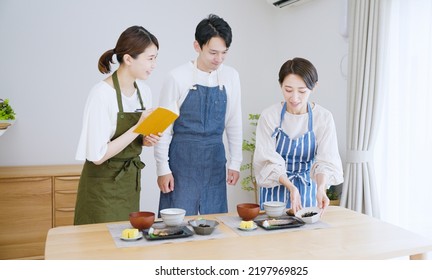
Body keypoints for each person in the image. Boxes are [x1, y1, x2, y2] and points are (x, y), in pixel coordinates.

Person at [154, 14, 242, 216]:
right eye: (213, 52)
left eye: (224, 53)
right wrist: (162, 168)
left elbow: (234, 122)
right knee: (176, 224)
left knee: (215, 223)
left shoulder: (231, 76)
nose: (218, 59)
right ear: (197, 46)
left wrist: (235, 162)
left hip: (214, 159)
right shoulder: (177, 77)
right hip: (182, 161)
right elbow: (163, 129)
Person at [74, 26, 161, 225]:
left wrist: (146, 139)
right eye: (150, 58)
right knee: (100, 249)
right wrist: (138, 128)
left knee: (127, 243)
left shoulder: (144, 91)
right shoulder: (101, 94)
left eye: (156, 58)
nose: (154, 64)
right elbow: (97, 156)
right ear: (129, 59)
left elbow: (135, 139)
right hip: (102, 187)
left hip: (129, 183)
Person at [253, 57, 343, 215]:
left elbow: (326, 161)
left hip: (308, 192)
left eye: (302, 91)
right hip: (275, 191)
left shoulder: (323, 118)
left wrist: (321, 188)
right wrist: (291, 187)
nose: (294, 98)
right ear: (280, 85)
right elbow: (266, 160)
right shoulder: (269, 116)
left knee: (307, 236)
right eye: (288, 90)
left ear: (313, 87)